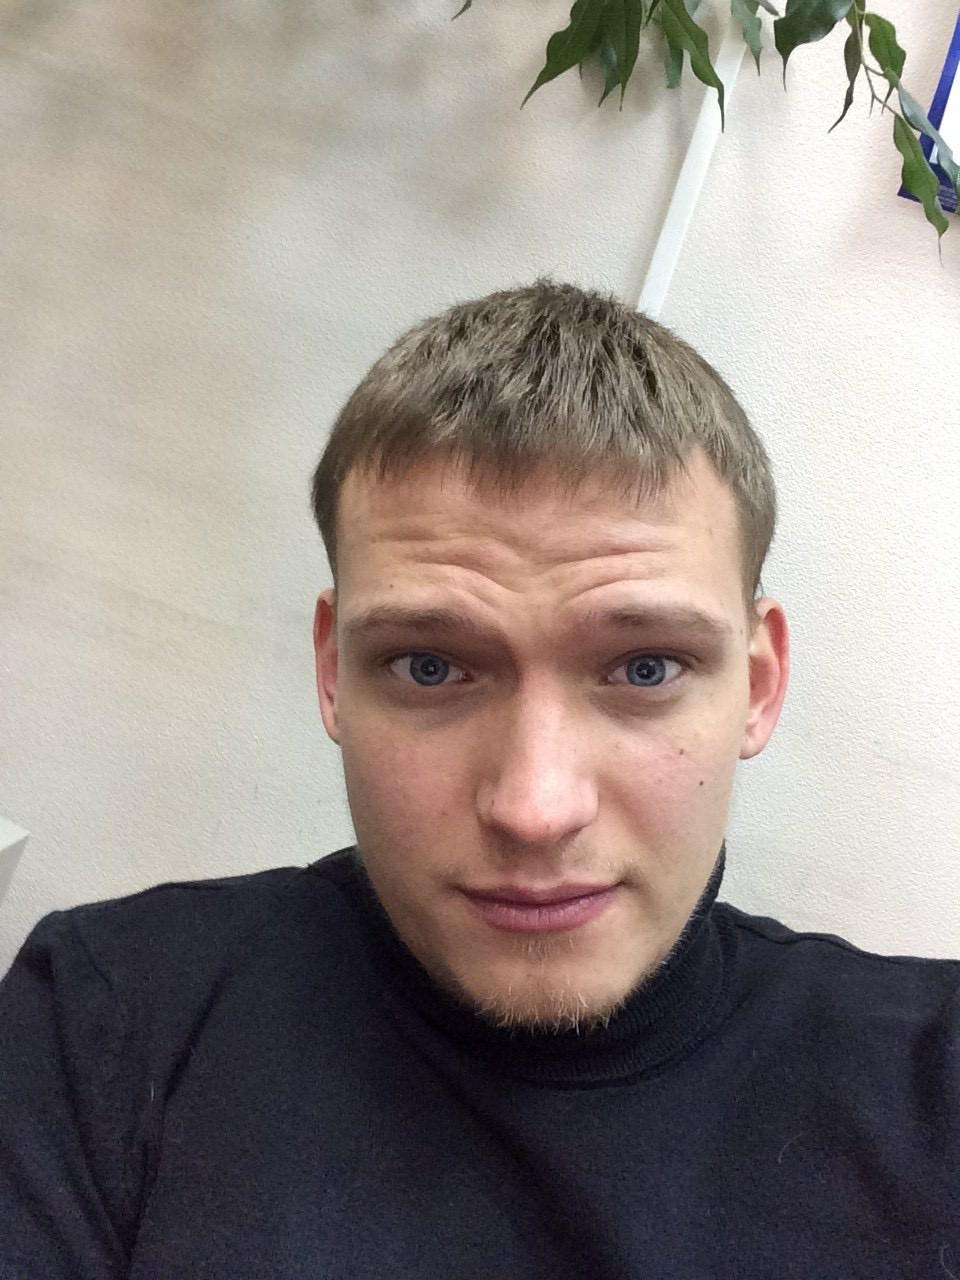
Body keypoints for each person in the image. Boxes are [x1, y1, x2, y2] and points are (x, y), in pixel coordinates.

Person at [0, 281, 957, 1280]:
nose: (535, 809)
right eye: (429, 666)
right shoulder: (108, 1026)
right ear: (332, 673)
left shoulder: (932, 1086)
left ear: (757, 686)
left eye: (645, 668)